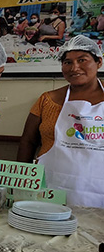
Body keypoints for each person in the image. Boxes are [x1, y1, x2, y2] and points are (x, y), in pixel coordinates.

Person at [17, 35, 104, 208]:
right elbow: (28, 142)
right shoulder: (48, 100)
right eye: (67, 62)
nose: (75, 67)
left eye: (82, 60)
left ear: (99, 62)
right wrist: (21, 184)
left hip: (99, 194)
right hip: (51, 191)